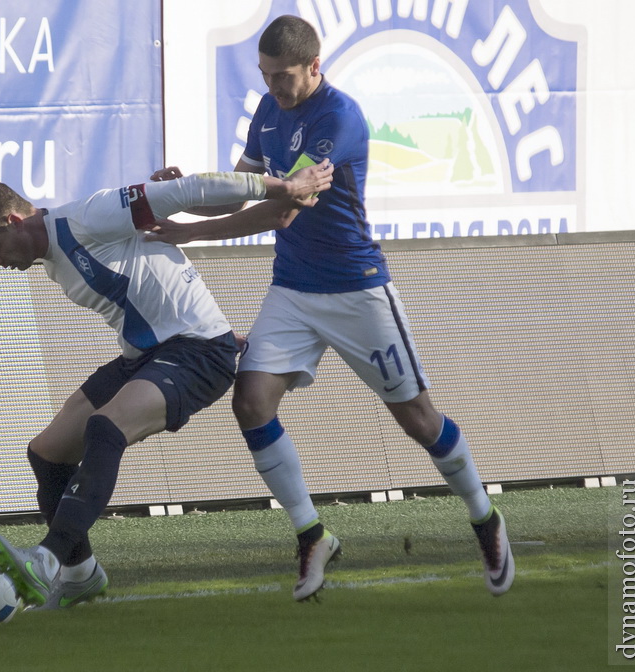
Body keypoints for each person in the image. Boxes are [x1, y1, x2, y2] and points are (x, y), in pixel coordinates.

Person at [148, 14, 514, 601]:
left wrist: (189, 232)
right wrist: (181, 190)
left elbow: (281, 210)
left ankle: (484, 518)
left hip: (356, 288)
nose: (274, 88)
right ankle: (313, 534)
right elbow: (240, 183)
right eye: (266, 77)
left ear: (314, 66)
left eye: (284, 77)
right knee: (251, 400)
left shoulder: (337, 118)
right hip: (293, 287)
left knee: (418, 419)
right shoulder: (269, 111)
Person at [0, 162, 333, 609]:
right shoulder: (53, 256)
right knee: (46, 454)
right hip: (150, 353)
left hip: (197, 352)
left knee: (105, 429)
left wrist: (284, 186)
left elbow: (192, 189)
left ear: (13, 221)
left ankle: (47, 559)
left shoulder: (85, 218)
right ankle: (80, 575)